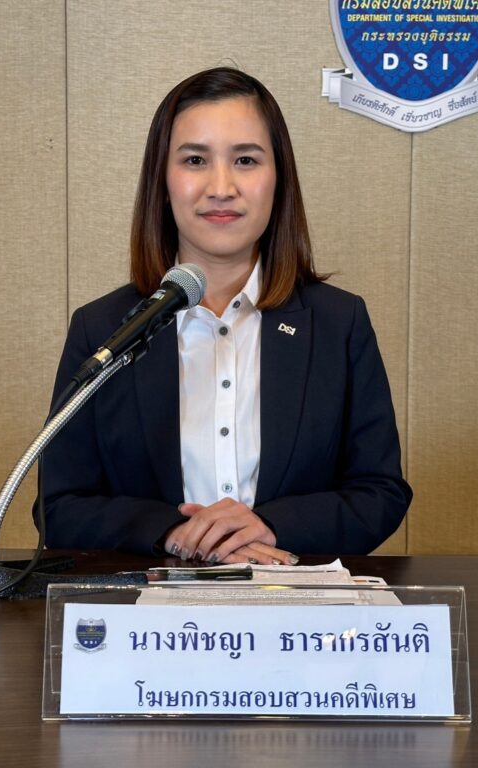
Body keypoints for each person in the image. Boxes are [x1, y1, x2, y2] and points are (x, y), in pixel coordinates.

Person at [36, 67, 411, 564]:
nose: (221, 186)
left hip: (296, 599)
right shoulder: (103, 328)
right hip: (153, 604)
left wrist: (271, 527)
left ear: (278, 180)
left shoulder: (338, 323)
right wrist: (177, 533)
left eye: (245, 160)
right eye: (195, 160)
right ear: (162, 181)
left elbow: (380, 493)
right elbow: (60, 506)